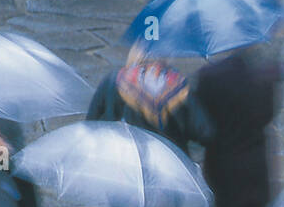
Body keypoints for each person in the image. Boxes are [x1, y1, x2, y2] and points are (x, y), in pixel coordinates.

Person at [194, 45, 284, 207]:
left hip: (220, 166)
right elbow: (268, 117)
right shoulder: (266, 76)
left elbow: (201, 123)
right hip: (255, 168)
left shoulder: (208, 77)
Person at [86, 44, 214, 155]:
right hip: (169, 161)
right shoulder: (179, 87)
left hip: (118, 155)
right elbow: (205, 132)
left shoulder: (114, 80)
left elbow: (91, 122)